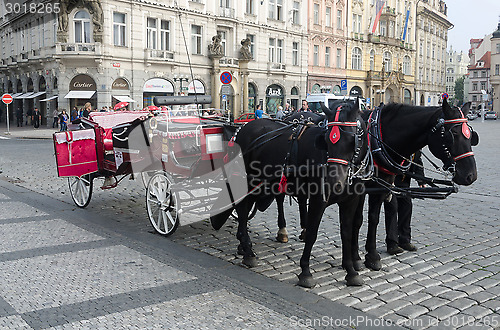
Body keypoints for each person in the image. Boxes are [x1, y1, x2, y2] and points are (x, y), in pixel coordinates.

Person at [384, 151, 425, 255]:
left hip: (404, 183)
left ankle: (404, 240)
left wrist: (421, 181)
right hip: (390, 181)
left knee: (407, 207)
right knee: (392, 208)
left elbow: (417, 162)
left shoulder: (416, 147)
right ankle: (392, 243)